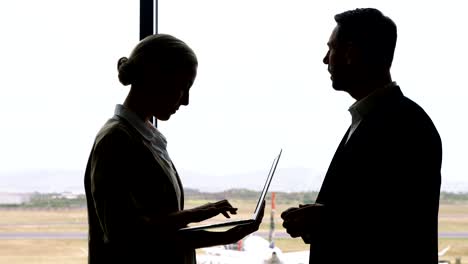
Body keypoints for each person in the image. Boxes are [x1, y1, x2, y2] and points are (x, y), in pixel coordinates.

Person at [84, 34, 264, 264]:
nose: (186, 100)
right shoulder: (115, 140)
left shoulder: (143, 137)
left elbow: (160, 236)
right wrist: (197, 214)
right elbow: (125, 235)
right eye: (182, 87)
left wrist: (226, 236)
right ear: (155, 79)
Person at [281, 8, 442, 264]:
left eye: (331, 48)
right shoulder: (379, 118)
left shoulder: (405, 124)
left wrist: (325, 219)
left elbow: (403, 221)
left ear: (351, 53)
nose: (325, 59)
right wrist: (318, 221)